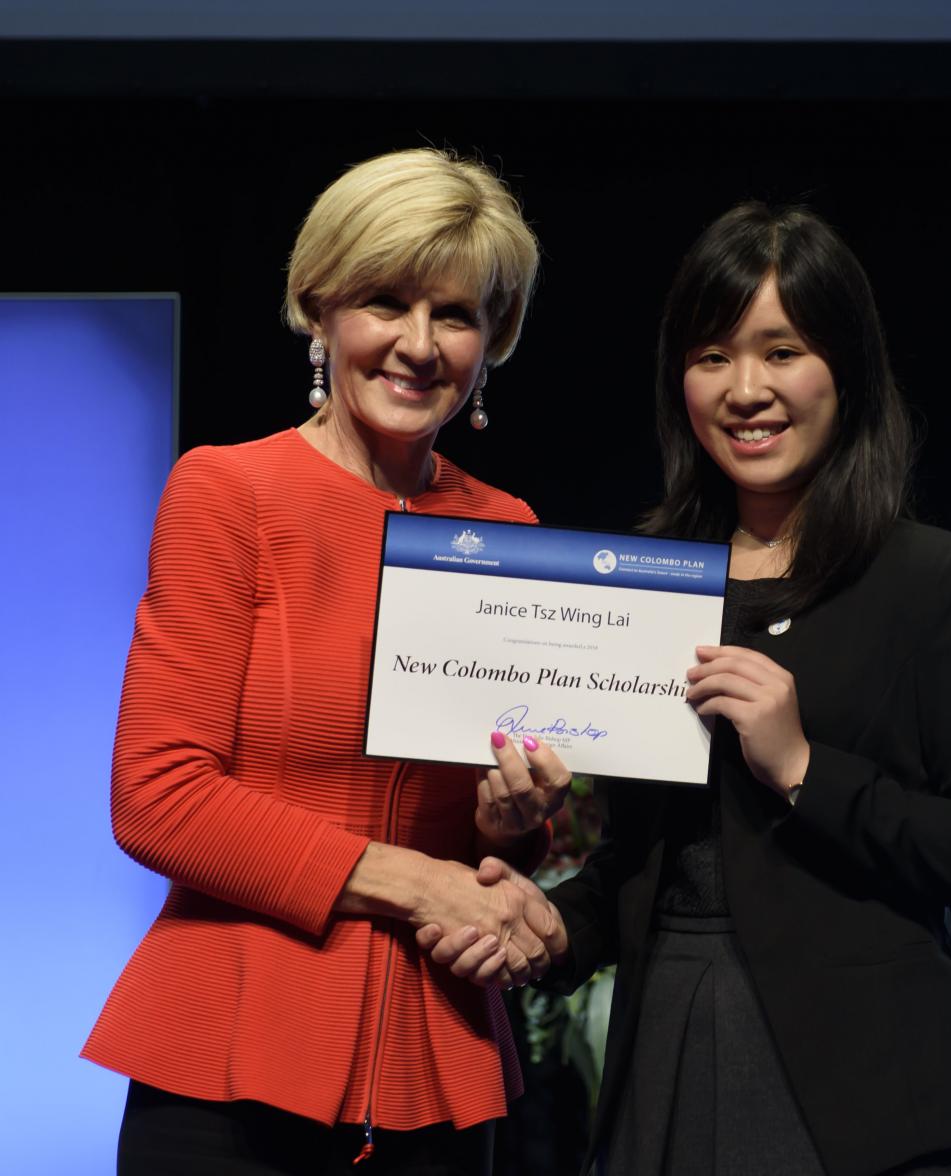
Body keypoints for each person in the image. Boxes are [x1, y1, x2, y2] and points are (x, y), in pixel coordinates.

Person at [421, 202, 951, 1176]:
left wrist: (805, 769)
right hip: (671, 1039)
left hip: (870, 1088)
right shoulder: (647, 581)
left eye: (782, 350)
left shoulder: (939, 581)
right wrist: (547, 925)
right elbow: (643, 862)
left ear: (845, 368)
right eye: (713, 355)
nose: (747, 388)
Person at [83, 148, 570, 1176]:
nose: (418, 344)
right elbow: (158, 795)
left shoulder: (511, 531)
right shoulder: (229, 494)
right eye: (385, 301)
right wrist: (421, 887)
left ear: (495, 342)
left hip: (436, 1073)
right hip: (228, 1061)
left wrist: (510, 827)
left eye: (456, 314)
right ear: (320, 311)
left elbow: (496, 842)